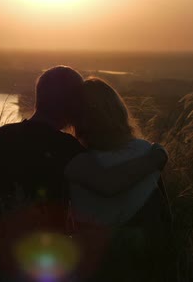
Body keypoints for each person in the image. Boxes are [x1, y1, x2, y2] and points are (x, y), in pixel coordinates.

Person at [0, 66, 160, 282]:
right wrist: (154, 158)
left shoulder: (2, 136)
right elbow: (109, 184)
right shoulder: (64, 148)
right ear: (71, 104)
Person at [65, 78, 175, 282]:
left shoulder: (75, 160)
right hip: (142, 265)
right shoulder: (148, 152)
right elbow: (164, 216)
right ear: (118, 111)